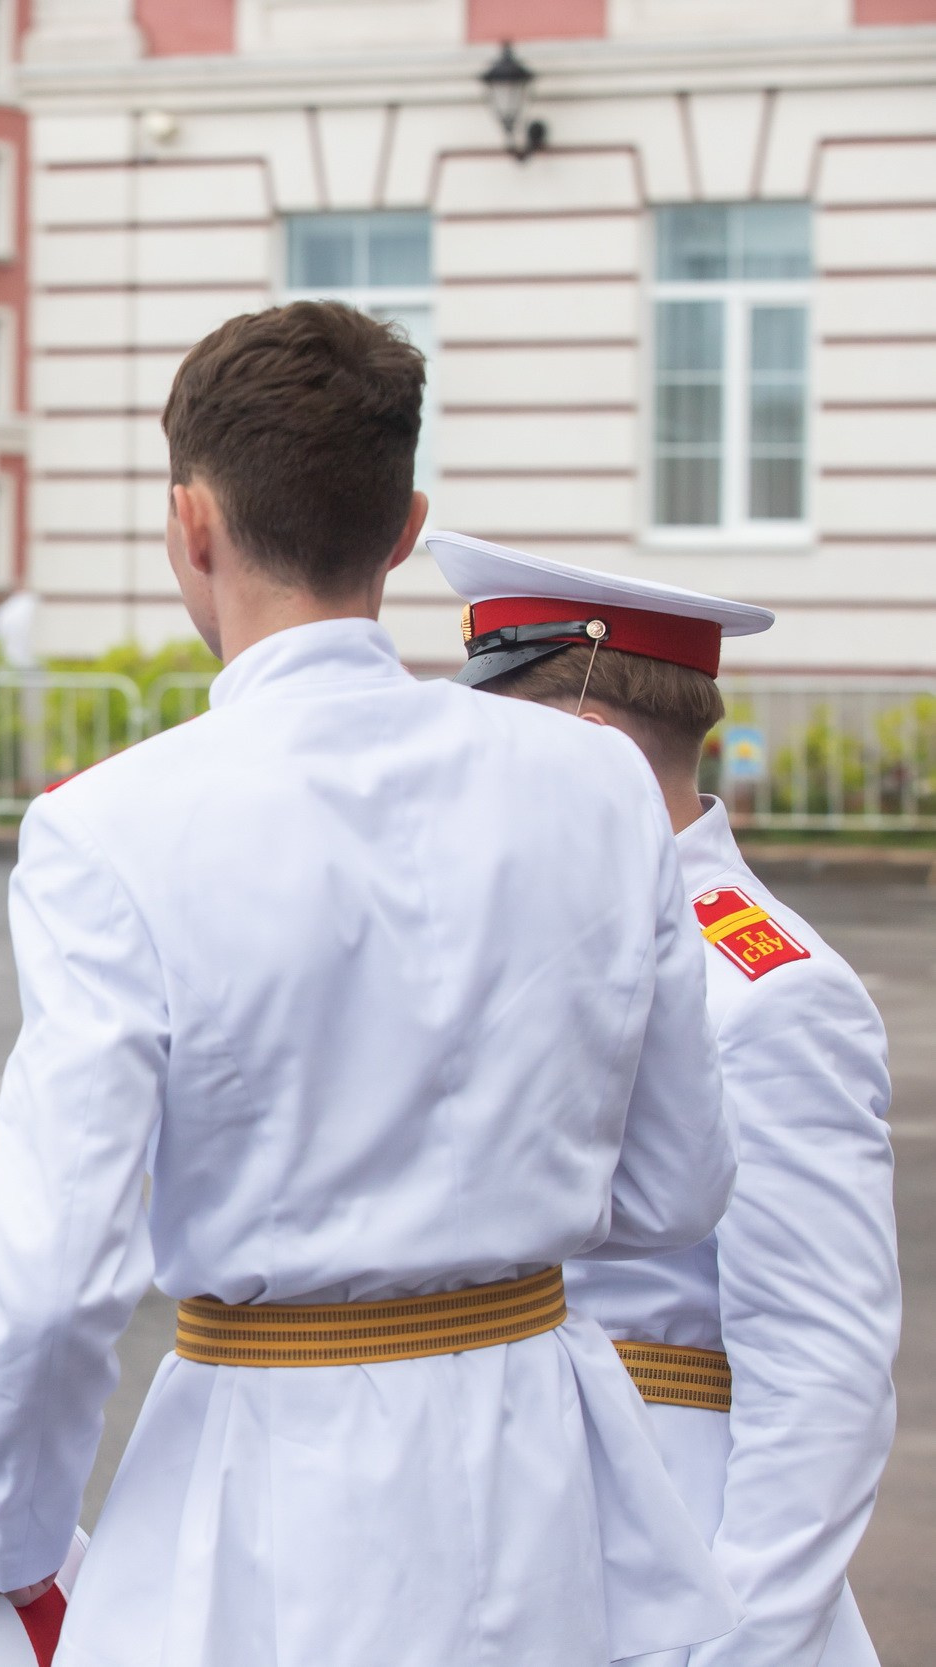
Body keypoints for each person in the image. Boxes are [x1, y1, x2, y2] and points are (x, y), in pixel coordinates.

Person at [0, 301, 740, 1667]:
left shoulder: (116, 823)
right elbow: (676, 1187)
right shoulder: (599, 778)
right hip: (538, 1458)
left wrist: (13, 1527)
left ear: (191, 523)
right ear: (407, 524)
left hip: (267, 1472)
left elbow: (55, 1275)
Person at [437, 532, 900, 1667]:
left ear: (590, 748)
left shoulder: (763, 989)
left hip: (674, 1550)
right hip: (527, 1539)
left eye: (494, 743)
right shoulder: (542, 938)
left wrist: (741, 1648)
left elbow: (823, 1374)